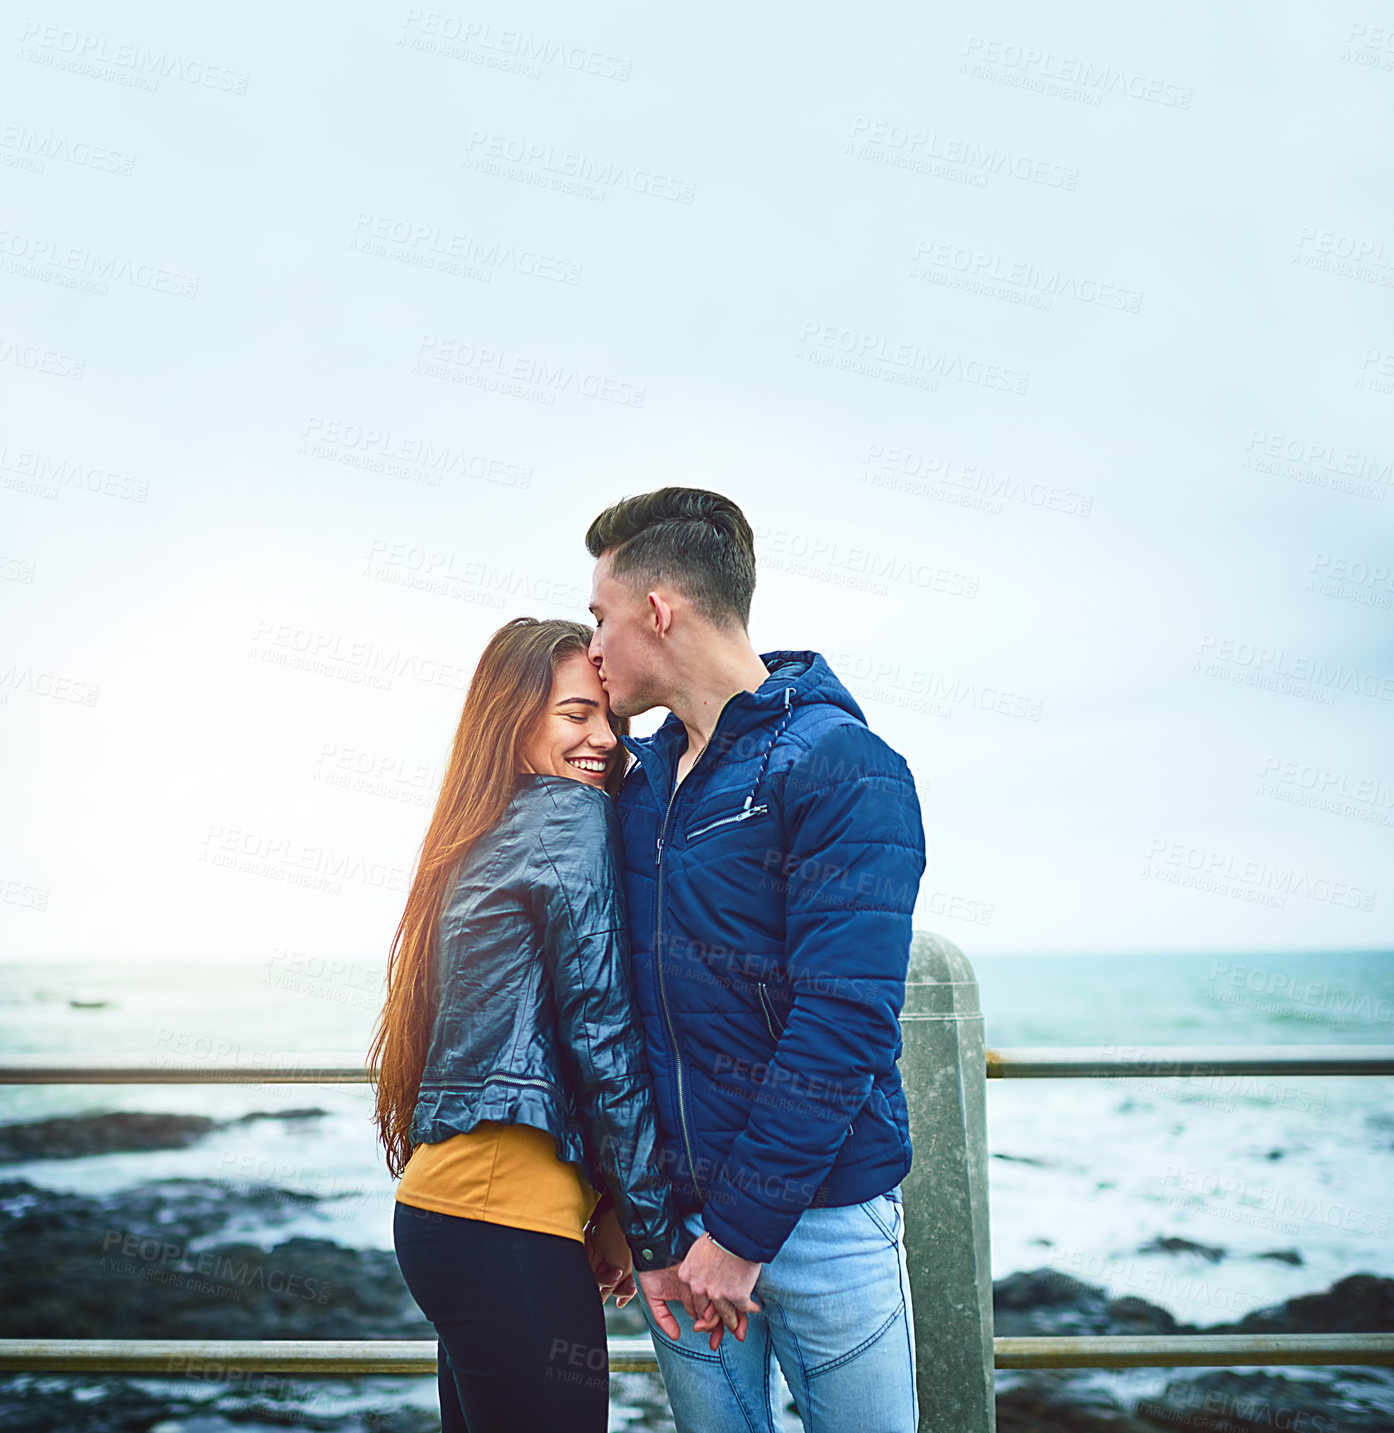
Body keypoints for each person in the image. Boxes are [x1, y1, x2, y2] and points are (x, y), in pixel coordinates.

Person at [583, 489, 927, 1432]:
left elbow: (844, 1018)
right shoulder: (638, 784)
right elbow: (621, 1010)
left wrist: (742, 1235)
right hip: (677, 1228)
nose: (595, 648)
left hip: (822, 1228)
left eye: (601, 617)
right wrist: (628, 1200)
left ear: (659, 611)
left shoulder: (841, 764)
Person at [368, 616, 734, 1433]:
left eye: (612, 718)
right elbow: (601, 1036)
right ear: (513, 716)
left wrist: (598, 1209)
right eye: (577, 715)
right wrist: (656, 1242)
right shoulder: (569, 817)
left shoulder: (480, 826)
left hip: (447, 1215)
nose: (607, 739)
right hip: (505, 1224)